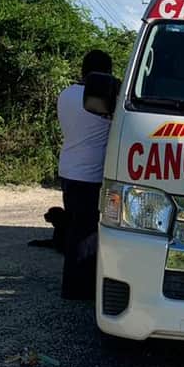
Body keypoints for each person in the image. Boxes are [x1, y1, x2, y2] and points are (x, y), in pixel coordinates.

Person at [57, 49, 113, 300]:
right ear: (107, 73)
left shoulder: (66, 94)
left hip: (68, 169)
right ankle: (78, 289)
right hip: (90, 175)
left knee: (74, 228)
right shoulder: (104, 100)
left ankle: (73, 284)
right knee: (86, 233)